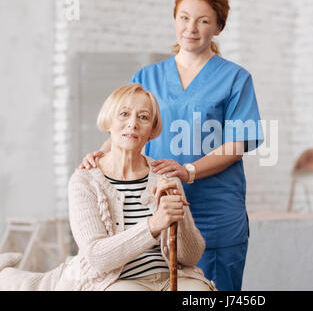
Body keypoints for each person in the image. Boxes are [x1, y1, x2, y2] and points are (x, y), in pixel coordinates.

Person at [80, 0, 264, 291]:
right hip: (155, 207)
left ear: (218, 27)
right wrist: (98, 156)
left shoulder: (235, 78)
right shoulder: (147, 76)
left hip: (215, 212)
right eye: (184, 18)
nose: (191, 28)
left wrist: (187, 170)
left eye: (203, 21)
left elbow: (237, 143)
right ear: (175, 21)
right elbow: (126, 128)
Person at [0, 84, 215, 291]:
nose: (133, 124)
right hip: (116, 280)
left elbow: (191, 257)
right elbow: (97, 257)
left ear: (152, 130)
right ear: (108, 121)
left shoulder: (165, 177)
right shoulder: (85, 181)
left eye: (143, 117)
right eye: (124, 114)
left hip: (174, 277)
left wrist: (178, 218)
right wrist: (154, 224)